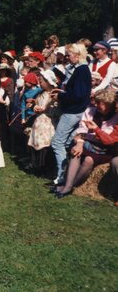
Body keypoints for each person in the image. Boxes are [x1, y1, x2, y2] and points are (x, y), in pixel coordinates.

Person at [53, 89, 117, 198]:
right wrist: (79, 143)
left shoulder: (116, 117)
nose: (96, 105)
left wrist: (96, 129)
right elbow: (81, 131)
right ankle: (67, 186)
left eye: (99, 103)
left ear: (108, 104)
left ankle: (68, 185)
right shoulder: (90, 111)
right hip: (87, 143)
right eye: (95, 102)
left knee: (88, 160)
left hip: (104, 149)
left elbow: (109, 141)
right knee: (76, 152)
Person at [50, 43, 92, 185]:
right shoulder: (80, 70)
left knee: (57, 143)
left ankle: (62, 176)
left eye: (69, 55)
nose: (67, 57)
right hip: (74, 110)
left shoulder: (82, 70)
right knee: (67, 143)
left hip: (73, 111)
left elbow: (78, 94)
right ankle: (67, 172)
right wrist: (61, 93)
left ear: (78, 55)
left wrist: (60, 96)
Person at [26, 70, 60, 172]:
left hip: (48, 122)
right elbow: (37, 103)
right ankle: (34, 163)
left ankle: (43, 166)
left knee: (44, 143)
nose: (39, 83)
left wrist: (46, 109)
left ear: (48, 82)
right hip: (39, 121)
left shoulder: (54, 94)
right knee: (36, 141)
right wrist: (34, 106)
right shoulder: (41, 93)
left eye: (41, 81)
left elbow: (56, 108)